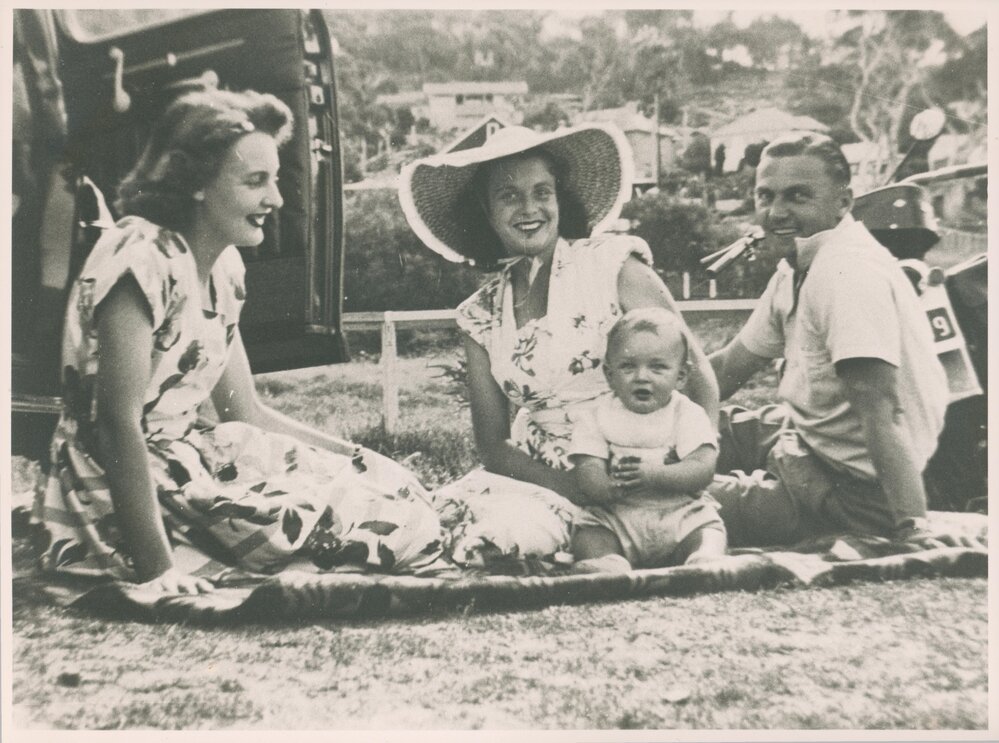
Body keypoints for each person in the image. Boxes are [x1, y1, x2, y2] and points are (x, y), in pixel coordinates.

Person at [31, 88, 444, 594]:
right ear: (197, 182)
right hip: (117, 482)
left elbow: (243, 411)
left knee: (390, 491)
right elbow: (117, 424)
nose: (276, 200)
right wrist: (159, 571)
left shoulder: (226, 267)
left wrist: (360, 456)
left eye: (273, 180)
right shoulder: (140, 255)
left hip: (192, 460)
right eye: (256, 182)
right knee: (352, 528)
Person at [399, 124, 719, 566]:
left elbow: (697, 375)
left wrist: (692, 468)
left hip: (640, 469)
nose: (529, 209)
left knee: (499, 541)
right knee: (425, 527)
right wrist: (572, 488)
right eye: (508, 196)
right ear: (486, 212)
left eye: (542, 192)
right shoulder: (479, 313)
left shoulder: (612, 265)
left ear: (559, 200)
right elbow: (492, 445)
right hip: (542, 479)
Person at [707, 131, 979, 550]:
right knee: (699, 428)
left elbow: (879, 409)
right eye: (766, 196)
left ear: (844, 202)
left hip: (854, 492)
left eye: (798, 197)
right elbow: (728, 368)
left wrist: (911, 525)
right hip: (806, 442)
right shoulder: (803, 261)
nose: (776, 212)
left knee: (666, 504)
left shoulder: (845, 273)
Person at [568, 308, 726, 572]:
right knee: (590, 530)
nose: (642, 376)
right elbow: (587, 463)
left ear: (681, 376)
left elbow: (703, 468)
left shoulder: (686, 413)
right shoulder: (596, 415)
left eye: (657, 367)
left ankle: (702, 559)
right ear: (609, 375)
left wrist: (656, 475)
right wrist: (602, 486)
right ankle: (607, 562)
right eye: (628, 366)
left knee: (707, 527)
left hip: (677, 512)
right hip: (618, 513)